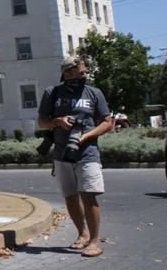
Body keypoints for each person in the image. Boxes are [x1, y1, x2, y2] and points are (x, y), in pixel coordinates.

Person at [37, 56, 114, 258]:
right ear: (67, 73)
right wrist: (58, 121)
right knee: (70, 196)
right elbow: (42, 122)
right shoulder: (52, 93)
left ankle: (95, 241)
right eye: (81, 73)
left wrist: (86, 136)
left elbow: (107, 122)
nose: (84, 75)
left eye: (85, 73)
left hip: (88, 152)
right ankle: (82, 234)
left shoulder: (94, 93)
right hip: (61, 153)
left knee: (89, 195)